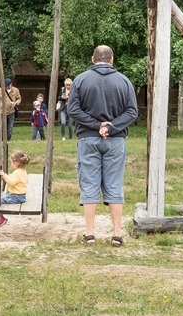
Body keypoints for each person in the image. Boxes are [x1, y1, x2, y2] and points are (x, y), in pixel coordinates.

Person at [68, 45, 138, 246]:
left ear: (93, 59)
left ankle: (89, 234)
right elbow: (132, 112)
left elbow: (73, 110)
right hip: (115, 141)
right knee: (114, 185)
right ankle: (117, 234)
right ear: (112, 60)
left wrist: (95, 125)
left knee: (89, 185)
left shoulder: (80, 80)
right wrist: (111, 127)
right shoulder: (124, 81)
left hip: (88, 139)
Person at [0, 151, 31, 228]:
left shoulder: (17, 173)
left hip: (16, 196)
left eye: (12, 162)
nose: (11, 163)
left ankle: (1, 217)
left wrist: (4, 175)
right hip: (18, 195)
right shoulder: (22, 171)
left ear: (16, 163)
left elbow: (11, 182)